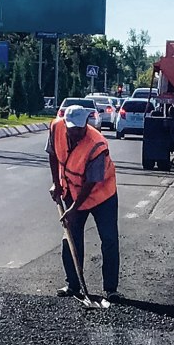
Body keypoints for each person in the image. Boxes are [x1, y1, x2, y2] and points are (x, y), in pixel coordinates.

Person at [46, 104, 119, 302]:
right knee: (70, 236)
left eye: (79, 129)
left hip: (102, 195)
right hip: (73, 190)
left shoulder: (97, 145)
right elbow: (53, 155)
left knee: (109, 239)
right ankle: (73, 284)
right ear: (66, 124)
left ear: (86, 124)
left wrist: (73, 209)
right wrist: (56, 184)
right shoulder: (56, 128)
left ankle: (111, 289)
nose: (75, 133)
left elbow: (91, 182)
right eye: (72, 129)